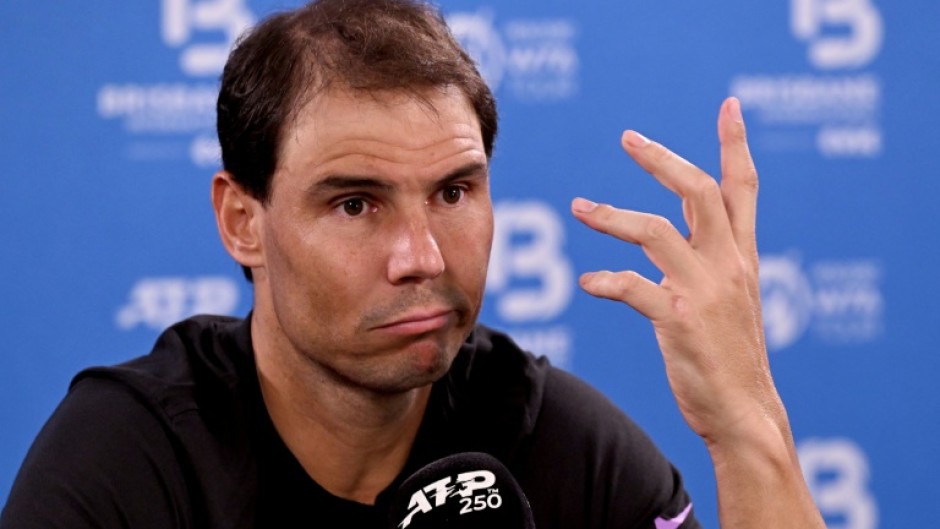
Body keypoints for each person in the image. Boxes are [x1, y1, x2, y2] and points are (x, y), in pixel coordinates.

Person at [1, 0, 825, 528]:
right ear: (242, 221)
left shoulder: (562, 447)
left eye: (454, 192)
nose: (422, 257)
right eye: (355, 203)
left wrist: (747, 428)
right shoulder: (131, 462)